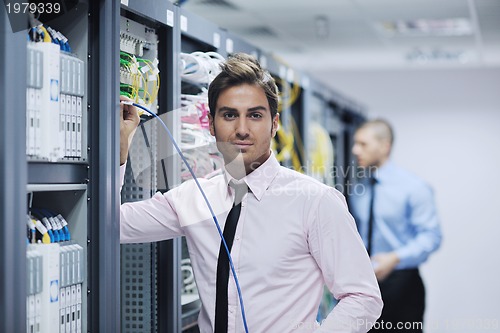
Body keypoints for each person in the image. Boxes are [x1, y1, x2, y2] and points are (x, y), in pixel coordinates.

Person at [119, 53, 382, 333]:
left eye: (255, 115)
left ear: (274, 124)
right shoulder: (193, 197)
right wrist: (120, 151)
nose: (242, 129)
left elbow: (363, 298)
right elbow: (113, 225)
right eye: (229, 115)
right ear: (211, 124)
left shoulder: (315, 201)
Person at [349, 119, 442, 332]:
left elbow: (431, 236)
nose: (355, 150)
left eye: (363, 144)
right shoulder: (358, 189)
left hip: (402, 285)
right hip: (365, 285)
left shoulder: (413, 188)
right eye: (356, 143)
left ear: (384, 146)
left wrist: (395, 258)